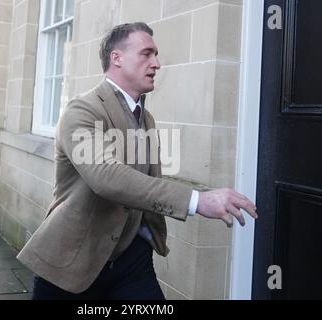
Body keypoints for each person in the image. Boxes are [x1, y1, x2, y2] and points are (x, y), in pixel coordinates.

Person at [17, 22, 258, 300]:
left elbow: (148, 181)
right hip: (72, 263)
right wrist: (197, 200)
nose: (156, 63)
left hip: (132, 260)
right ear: (116, 58)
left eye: (156, 54)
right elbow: (105, 177)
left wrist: (146, 237)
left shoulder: (147, 117)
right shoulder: (82, 110)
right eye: (147, 53)